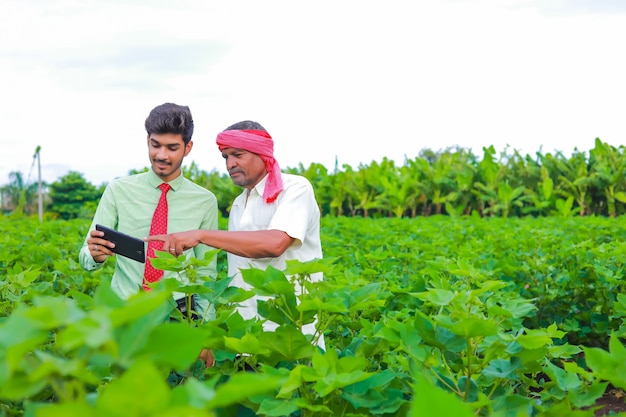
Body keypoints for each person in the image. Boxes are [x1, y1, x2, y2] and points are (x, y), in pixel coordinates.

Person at [145, 120, 325, 350]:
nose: (230, 164)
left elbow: (275, 243)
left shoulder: (295, 189)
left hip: (291, 334)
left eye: (237, 155)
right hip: (247, 336)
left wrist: (201, 235)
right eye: (226, 157)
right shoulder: (240, 203)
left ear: (262, 153)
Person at [78, 102, 219, 337]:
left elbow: (207, 273)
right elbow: (86, 254)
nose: (161, 155)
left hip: (180, 313)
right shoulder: (118, 190)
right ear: (147, 141)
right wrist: (93, 255)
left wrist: (205, 333)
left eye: (172, 147)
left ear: (188, 147)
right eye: (155, 145)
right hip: (125, 308)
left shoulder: (205, 201)